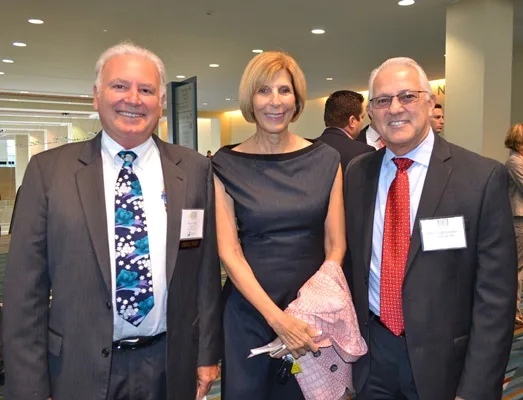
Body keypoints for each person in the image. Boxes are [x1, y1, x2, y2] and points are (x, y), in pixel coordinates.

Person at [3, 42, 222, 400]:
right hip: (76, 369)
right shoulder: (49, 173)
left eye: (146, 90)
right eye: (119, 86)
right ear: (96, 96)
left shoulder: (194, 170)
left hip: (170, 365)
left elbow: (205, 274)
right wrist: (29, 388)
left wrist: (207, 354)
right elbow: (25, 293)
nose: (133, 99)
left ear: (161, 103)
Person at [344, 57, 517, 400]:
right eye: (383, 100)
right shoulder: (357, 173)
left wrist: (475, 389)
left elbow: (496, 298)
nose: (395, 108)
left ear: (430, 102)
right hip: (372, 358)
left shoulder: (481, 177)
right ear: (371, 113)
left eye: (407, 96)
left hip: (446, 366)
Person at [212, 51, 346, 399]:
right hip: (249, 312)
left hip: (311, 313)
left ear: (297, 100)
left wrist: (307, 312)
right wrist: (277, 319)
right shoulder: (225, 164)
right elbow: (229, 251)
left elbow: (336, 245)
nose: (275, 102)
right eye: (264, 91)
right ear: (250, 100)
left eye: (284, 90)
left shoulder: (326, 159)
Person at [317, 90, 374, 172]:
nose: (363, 121)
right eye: (362, 117)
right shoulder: (364, 152)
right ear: (352, 121)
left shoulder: (308, 147)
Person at [505, 122, 523, 325]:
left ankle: (516, 310)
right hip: (519, 220)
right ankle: (513, 311)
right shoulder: (514, 161)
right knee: (516, 268)